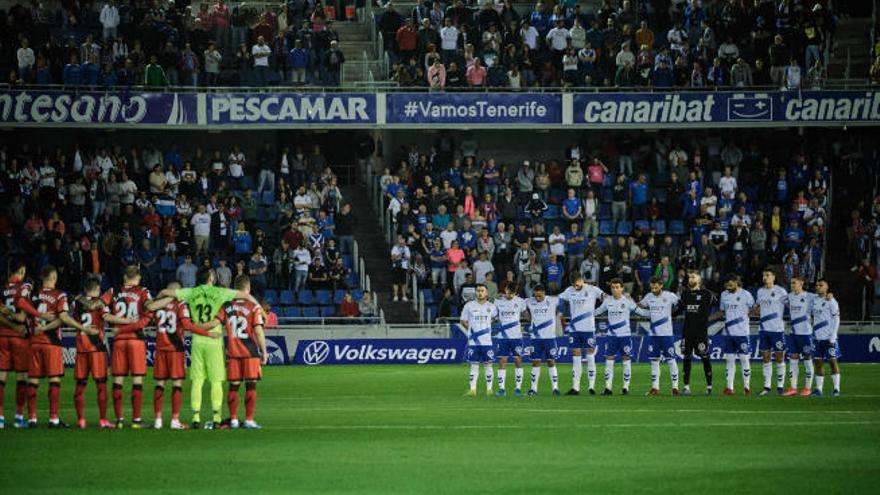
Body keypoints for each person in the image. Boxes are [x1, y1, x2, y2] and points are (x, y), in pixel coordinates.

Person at [156, 267, 258, 429]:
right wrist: (260, 310)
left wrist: (158, 297)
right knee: (216, 381)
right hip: (214, 339)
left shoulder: (191, 292)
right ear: (210, 278)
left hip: (197, 339)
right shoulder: (219, 292)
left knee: (197, 380)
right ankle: (216, 418)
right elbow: (245, 295)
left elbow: (165, 292)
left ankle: (196, 418)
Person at [24, 266, 94, 428]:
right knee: (54, 379)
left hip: (35, 341)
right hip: (52, 342)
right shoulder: (59, 295)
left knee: (33, 380)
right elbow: (63, 317)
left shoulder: (32, 295)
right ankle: (53, 418)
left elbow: (26, 316)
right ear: (54, 277)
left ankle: (32, 418)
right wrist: (83, 328)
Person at [71, 277, 139, 429]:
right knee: (101, 385)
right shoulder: (100, 303)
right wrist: (128, 321)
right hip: (97, 348)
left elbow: (68, 316)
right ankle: (103, 420)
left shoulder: (76, 302)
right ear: (96, 289)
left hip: (82, 348)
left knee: (80, 385)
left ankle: (81, 420)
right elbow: (107, 317)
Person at [201, 275, 267, 428]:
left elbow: (214, 323)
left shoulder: (227, 306)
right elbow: (258, 331)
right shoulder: (253, 307)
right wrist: (264, 351)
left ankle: (234, 420)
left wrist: (195, 326)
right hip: (250, 353)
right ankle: (249, 420)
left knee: (234, 386)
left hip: (233, 354)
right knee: (251, 386)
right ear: (248, 288)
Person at [150, 281, 217, 430]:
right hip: (176, 349)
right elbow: (187, 326)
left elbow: (147, 311)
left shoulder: (158, 305)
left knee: (160, 384)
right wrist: (207, 333)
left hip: (161, 348)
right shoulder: (180, 305)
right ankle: (174, 420)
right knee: (177, 384)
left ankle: (158, 420)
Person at [107, 265, 165, 429]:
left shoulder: (113, 291)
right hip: (136, 340)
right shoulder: (143, 291)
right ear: (137, 277)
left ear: (125, 277)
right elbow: (150, 308)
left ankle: (119, 420)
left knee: (118, 379)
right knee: (137, 380)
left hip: (119, 340)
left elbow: (101, 309)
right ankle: (136, 420)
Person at [558, 273, 605, 395]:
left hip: (589, 328)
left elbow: (604, 297)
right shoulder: (569, 290)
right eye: (573, 285)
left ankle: (591, 387)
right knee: (576, 356)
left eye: (577, 284)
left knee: (590, 356)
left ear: (582, 280)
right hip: (574, 329)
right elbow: (558, 299)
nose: (575, 286)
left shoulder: (592, 289)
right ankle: (575, 387)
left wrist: (599, 310)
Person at [636, 277, 681, 396]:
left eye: (656, 287)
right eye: (652, 288)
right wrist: (634, 303)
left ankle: (675, 387)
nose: (654, 290)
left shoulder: (670, 296)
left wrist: (674, 314)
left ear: (661, 285)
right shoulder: (649, 297)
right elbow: (640, 306)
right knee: (654, 361)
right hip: (653, 335)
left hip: (666, 334)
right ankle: (655, 388)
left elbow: (680, 305)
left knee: (671, 359)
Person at [711, 274, 755, 395]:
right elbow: (721, 312)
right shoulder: (724, 295)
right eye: (727, 285)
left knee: (744, 359)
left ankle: (747, 387)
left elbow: (754, 309)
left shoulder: (746, 295)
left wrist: (745, 318)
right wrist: (708, 318)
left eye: (730, 284)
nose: (728, 287)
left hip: (742, 333)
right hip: (729, 333)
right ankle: (729, 387)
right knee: (729, 360)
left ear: (736, 282)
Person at [593, 278, 637, 395]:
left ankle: (625, 388)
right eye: (613, 287)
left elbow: (639, 310)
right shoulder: (607, 301)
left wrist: (652, 313)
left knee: (626, 360)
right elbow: (598, 311)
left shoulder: (627, 300)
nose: (615, 289)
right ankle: (608, 388)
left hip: (625, 336)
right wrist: (585, 314)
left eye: (617, 287)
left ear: (622, 288)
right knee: (609, 360)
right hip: (611, 336)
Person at [679, 271, 715, 395]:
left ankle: (709, 386)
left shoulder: (707, 294)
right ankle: (686, 386)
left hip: (701, 332)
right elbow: (678, 310)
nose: (690, 279)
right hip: (687, 331)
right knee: (687, 357)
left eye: (693, 277)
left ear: (700, 280)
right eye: (689, 277)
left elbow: (719, 306)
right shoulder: (685, 294)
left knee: (705, 356)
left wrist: (708, 318)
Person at [754, 269, 788, 396]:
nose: (765, 277)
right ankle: (767, 387)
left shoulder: (781, 291)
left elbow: (789, 305)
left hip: (777, 330)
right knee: (766, 358)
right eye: (763, 275)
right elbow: (757, 308)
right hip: (763, 329)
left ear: (773, 277)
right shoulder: (760, 291)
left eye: (767, 275)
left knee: (780, 357)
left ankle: (780, 386)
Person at [460, 284, 497, 397]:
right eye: (478, 291)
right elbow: (463, 321)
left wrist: (486, 328)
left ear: (486, 293)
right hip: (474, 342)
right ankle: (472, 390)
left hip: (487, 341)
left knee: (488, 365)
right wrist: (473, 333)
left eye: (482, 291)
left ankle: (489, 390)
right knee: (474, 365)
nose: (480, 293)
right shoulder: (469, 306)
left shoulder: (492, 307)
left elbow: (495, 319)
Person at [524, 285, 561, 396]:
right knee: (535, 362)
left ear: (544, 293)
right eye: (536, 296)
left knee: (551, 362)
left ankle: (555, 388)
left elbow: (566, 299)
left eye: (540, 296)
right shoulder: (529, 301)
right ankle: (533, 389)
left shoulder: (553, 300)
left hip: (550, 337)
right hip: (536, 338)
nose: (538, 298)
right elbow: (517, 303)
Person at [783, 276, 816, 396]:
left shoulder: (810, 296)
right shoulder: (789, 296)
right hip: (793, 333)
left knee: (807, 359)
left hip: (806, 333)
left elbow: (823, 299)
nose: (792, 285)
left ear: (801, 283)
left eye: (794, 283)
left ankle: (808, 388)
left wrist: (830, 295)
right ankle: (793, 387)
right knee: (793, 360)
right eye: (791, 283)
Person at [493, 284, 526, 397]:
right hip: (503, 337)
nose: (510, 295)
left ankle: (518, 388)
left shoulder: (521, 301)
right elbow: (493, 316)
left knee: (518, 361)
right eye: (508, 292)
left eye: (512, 293)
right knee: (502, 361)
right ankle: (502, 389)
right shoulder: (498, 301)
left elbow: (526, 314)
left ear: (515, 292)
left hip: (516, 336)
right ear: (505, 290)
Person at [811, 279, 841, 396]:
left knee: (832, 362)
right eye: (817, 285)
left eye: (821, 285)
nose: (818, 287)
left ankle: (836, 389)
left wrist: (833, 335)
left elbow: (836, 318)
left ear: (827, 287)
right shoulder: (813, 300)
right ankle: (819, 389)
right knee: (818, 363)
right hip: (817, 338)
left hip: (829, 338)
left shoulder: (832, 301)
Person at [391, 235, 411, 302]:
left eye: (402, 240)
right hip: (396, 266)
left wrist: (403, 255)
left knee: (404, 282)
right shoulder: (395, 248)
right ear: (398, 240)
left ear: (404, 241)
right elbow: (393, 258)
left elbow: (408, 257)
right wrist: (400, 255)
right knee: (395, 282)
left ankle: (404, 296)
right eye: (400, 240)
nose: (401, 241)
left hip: (403, 266)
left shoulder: (406, 248)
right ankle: (395, 296)